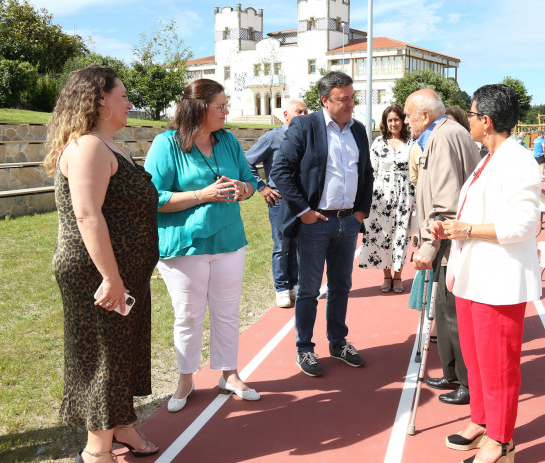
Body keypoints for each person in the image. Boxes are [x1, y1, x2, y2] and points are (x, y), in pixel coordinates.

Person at [44, 65, 160, 463]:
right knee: (104, 357)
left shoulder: (113, 146)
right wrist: (111, 277)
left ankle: (123, 425)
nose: (129, 103)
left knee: (124, 353)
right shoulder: (88, 147)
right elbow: (87, 215)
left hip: (125, 272)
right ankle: (96, 450)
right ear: (100, 100)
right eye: (123, 96)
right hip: (97, 273)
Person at [431, 84, 542, 463]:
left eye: (473, 114)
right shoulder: (486, 158)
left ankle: (501, 439)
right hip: (471, 277)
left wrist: (466, 230)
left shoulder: (519, 161)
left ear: (487, 121)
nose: (469, 120)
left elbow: (522, 225)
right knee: (476, 360)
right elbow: (475, 213)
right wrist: (451, 226)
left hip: (499, 282)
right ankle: (481, 420)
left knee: (498, 364)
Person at [144, 79, 260, 413]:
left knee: (227, 312)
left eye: (226, 105)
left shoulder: (228, 141)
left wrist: (243, 188)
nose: (226, 112)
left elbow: (250, 182)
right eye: (220, 106)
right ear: (199, 108)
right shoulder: (166, 144)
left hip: (229, 242)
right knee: (188, 316)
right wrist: (201, 195)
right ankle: (185, 378)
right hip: (184, 247)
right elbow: (154, 197)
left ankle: (229, 374)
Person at [273, 71, 374, 377]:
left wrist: (360, 213)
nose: (350, 104)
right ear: (325, 100)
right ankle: (304, 347)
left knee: (342, 286)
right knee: (308, 290)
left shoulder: (357, 130)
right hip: (315, 222)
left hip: (348, 222)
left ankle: (338, 342)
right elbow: (281, 170)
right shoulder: (304, 126)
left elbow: (367, 173)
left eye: (352, 97)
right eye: (343, 99)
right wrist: (303, 210)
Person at [405, 88, 480, 405]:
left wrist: (429, 247)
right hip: (447, 242)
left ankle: (466, 381)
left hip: (449, 244)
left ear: (424, 115)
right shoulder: (445, 133)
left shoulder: (444, 136)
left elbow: (446, 203)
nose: (407, 122)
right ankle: (452, 373)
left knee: (452, 315)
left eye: (409, 115)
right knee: (445, 311)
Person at [244, 100, 309, 308]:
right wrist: (261, 187)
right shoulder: (272, 137)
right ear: (286, 114)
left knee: (299, 244)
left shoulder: (308, 137)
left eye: (305, 112)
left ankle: (294, 284)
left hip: (301, 199)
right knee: (281, 245)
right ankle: (281, 288)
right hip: (279, 199)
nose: (302, 114)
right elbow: (246, 161)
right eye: (298, 111)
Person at [359, 104, 415, 294]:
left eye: (396, 119)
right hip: (381, 195)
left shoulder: (412, 143)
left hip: (404, 194)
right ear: (385, 122)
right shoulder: (378, 143)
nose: (393, 123)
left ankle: (398, 275)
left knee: (401, 234)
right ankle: (386, 276)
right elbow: (371, 171)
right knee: (382, 235)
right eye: (389, 120)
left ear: (402, 120)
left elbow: (416, 172)